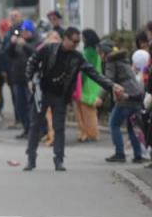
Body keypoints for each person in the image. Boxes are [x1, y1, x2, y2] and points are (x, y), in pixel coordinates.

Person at [25, 27, 123, 171]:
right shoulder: (48, 49)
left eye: (78, 42)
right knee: (35, 125)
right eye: (74, 41)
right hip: (43, 92)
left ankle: (59, 160)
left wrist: (112, 86)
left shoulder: (77, 57)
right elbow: (32, 61)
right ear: (65, 38)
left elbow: (94, 73)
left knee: (59, 127)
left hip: (60, 95)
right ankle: (31, 159)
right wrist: (29, 79)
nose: (77, 44)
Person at [100, 42, 148, 163]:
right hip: (136, 95)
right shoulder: (123, 60)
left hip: (125, 97)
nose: (99, 56)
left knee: (114, 124)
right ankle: (138, 155)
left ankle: (120, 153)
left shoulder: (110, 61)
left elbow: (108, 81)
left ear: (104, 53)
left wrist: (100, 97)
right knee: (132, 126)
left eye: (99, 53)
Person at [6, 20, 38, 139]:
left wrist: (25, 45)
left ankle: (33, 129)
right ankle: (26, 128)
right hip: (18, 78)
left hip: (29, 80)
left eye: (25, 31)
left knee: (31, 106)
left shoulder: (35, 41)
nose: (23, 34)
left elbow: (35, 54)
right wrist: (12, 44)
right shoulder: (18, 43)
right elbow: (8, 54)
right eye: (22, 31)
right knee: (20, 106)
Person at [73, 29, 102, 143]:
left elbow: (85, 71)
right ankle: (87, 133)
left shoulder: (89, 52)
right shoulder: (94, 51)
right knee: (88, 111)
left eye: (83, 36)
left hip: (87, 85)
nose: (81, 39)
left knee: (86, 111)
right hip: (91, 84)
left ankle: (89, 134)